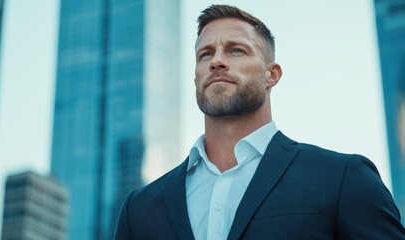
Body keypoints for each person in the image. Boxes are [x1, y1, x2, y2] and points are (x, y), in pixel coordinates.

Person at [114, 4, 405, 240]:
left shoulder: (344, 178)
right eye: (205, 54)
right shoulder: (139, 208)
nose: (217, 61)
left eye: (235, 50)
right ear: (196, 78)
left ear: (272, 75)